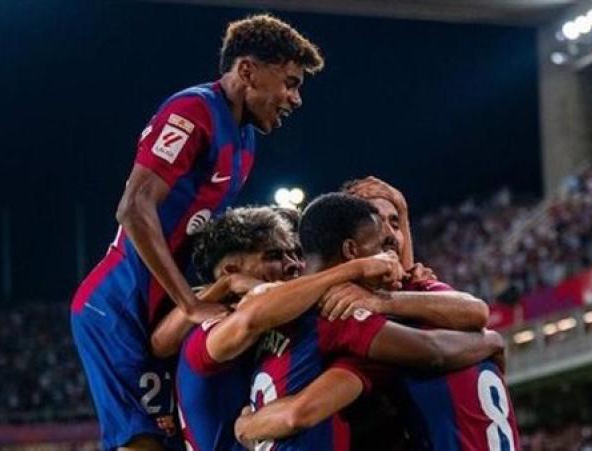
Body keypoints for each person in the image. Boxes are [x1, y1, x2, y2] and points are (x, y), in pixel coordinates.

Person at [69, 14, 323, 450]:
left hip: (163, 309)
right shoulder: (192, 110)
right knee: (145, 444)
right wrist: (190, 303)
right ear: (248, 71)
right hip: (120, 307)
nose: (295, 99)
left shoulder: (245, 141)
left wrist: (224, 284)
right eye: (290, 82)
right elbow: (133, 208)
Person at [236, 179, 521, 451]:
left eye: (395, 223)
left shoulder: (412, 295)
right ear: (352, 247)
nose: (389, 238)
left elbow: (476, 311)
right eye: (378, 230)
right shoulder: (351, 317)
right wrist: (491, 341)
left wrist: (247, 425)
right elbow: (435, 349)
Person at [163, 206, 403, 450]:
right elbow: (250, 320)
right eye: (274, 256)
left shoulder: (283, 325)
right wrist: (354, 268)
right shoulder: (207, 333)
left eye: (296, 254)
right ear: (232, 271)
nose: (293, 264)